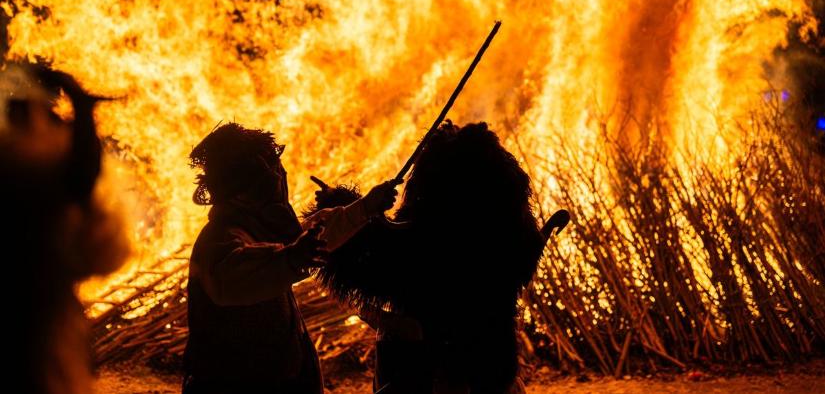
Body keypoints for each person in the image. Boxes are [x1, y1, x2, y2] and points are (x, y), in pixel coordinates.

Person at [313, 121, 546, 393]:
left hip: (428, 372)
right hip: (492, 366)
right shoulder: (513, 233)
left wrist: (339, 205)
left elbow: (372, 265)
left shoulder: (424, 239)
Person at [182, 122, 399, 394]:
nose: (279, 178)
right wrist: (293, 258)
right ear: (247, 186)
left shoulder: (256, 228)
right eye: (271, 172)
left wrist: (365, 207)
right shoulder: (220, 239)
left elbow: (311, 238)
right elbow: (242, 276)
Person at [3, 63, 129, 394]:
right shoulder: (26, 169)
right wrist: (83, 107)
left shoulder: (28, 163)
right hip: (33, 316)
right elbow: (80, 176)